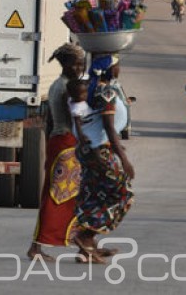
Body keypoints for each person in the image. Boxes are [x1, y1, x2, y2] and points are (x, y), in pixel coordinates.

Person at [27, 42, 87, 263]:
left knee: (62, 195)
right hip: (66, 143)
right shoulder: (66, 88)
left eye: (81, 63)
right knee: (61, 196)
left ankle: (80, 245)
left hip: (58, 141)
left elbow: (50, 122)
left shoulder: (57, 85)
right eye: (76, 64)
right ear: (66, 64)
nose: (79, 67)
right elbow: (76, 117)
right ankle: (41, 246)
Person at [72, 55, 134, 263]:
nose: (119, 69)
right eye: (117, 65)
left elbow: (93, 123)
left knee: (94, 194)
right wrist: (124, 158)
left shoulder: (89, 89)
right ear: (108, 69)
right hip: (99, 152)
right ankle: (86, 236)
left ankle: (86, 251)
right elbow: (108, 125)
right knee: (123, 194)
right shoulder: (105, 92)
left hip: (88, 150)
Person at [67, 78, 91, 147]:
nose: (85, 95)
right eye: (82, 93)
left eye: (86, 92)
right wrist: (81, 137)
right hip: (82, 130)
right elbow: (78, 124)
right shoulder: (76, 109)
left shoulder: (72, 100)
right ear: (73, 95)